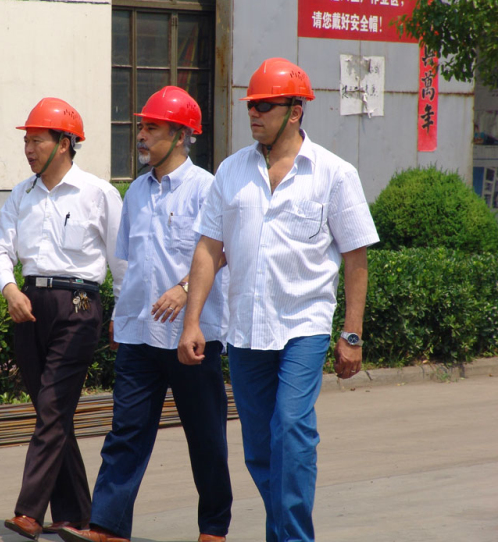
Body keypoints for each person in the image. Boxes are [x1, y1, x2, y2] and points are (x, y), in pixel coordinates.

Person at [178, 58, 380, 542]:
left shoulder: (334, 173)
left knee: (291, 428)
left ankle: (292, 538)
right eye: (251, 105)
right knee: (259, 448)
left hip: (304, 325)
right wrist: (192, 323)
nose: (254, 114)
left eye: (264, 106)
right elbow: (208, 249)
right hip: (246, 327)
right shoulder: (231, 172)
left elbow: (355, 259)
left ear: (295, 111)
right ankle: (285, 529)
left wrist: (351, 334)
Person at [60, 86, 232, 542]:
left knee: (206, 439)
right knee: (125, 434)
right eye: (141, 126)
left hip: (192, 337)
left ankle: (214, 528)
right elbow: (129, 265)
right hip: (139, 337)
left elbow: (223, 252)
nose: (141, 135)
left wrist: (182, 289)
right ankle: (108, 527)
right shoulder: (135, 192)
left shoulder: (207, 188)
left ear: (180, 136)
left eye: (151, 127)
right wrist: (121, 315)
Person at [0, 97, 127, 540]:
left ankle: (29, 510)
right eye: (26, 140)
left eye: (37, 139)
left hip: (79, 308)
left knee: (50, 407)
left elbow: (120, 261)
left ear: (65, 143)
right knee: (53, 412)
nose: (28, 148)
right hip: (28, 306)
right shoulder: (21, 194)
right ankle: (76, 514)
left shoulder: (98, 193)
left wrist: (120, 315)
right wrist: (9, 288)